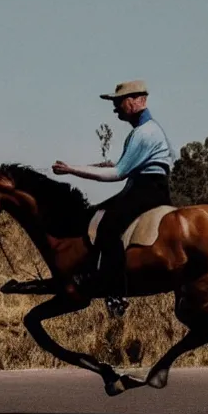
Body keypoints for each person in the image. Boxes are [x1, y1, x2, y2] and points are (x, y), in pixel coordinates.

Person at [52, 80, 176, 317]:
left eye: (119, 102)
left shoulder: (144, 133)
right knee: (98, 216)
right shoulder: (144, 131)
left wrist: (72, 170)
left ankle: (116, 293)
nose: (115, 108)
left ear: (137, 101)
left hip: (146, 189)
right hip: (143, 186)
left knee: (109, 227)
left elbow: (117, 174)